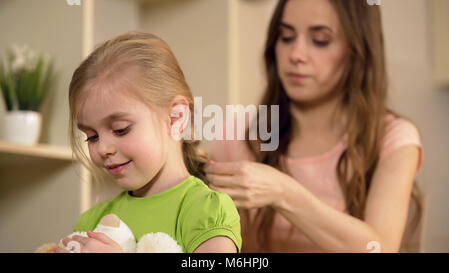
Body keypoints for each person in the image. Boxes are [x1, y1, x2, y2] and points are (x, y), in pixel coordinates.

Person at [206, 0, 423, 252]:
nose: (296, 54)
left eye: (320, 40)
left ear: (357, 51)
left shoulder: (393, 139)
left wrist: (284, 193)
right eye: (286, 37)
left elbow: (380, 248)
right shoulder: (238, 135)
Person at [54, 31, 241, 253]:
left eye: (120, 129)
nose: (102, 148)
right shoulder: (92, 224)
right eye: (92, 136)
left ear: (175, 118)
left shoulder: (206, 212)